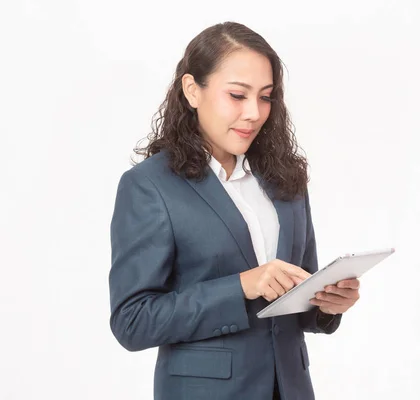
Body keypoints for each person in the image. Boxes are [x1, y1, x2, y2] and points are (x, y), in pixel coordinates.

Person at [108, 21, 361, 400]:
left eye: (265, 96)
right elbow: (133, 321)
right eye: (237, 95)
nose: (254, 113)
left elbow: (297, 295)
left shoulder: (285, 177)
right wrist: (242, 286)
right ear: (192, 90)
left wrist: (326, 304)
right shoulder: (149, 186)